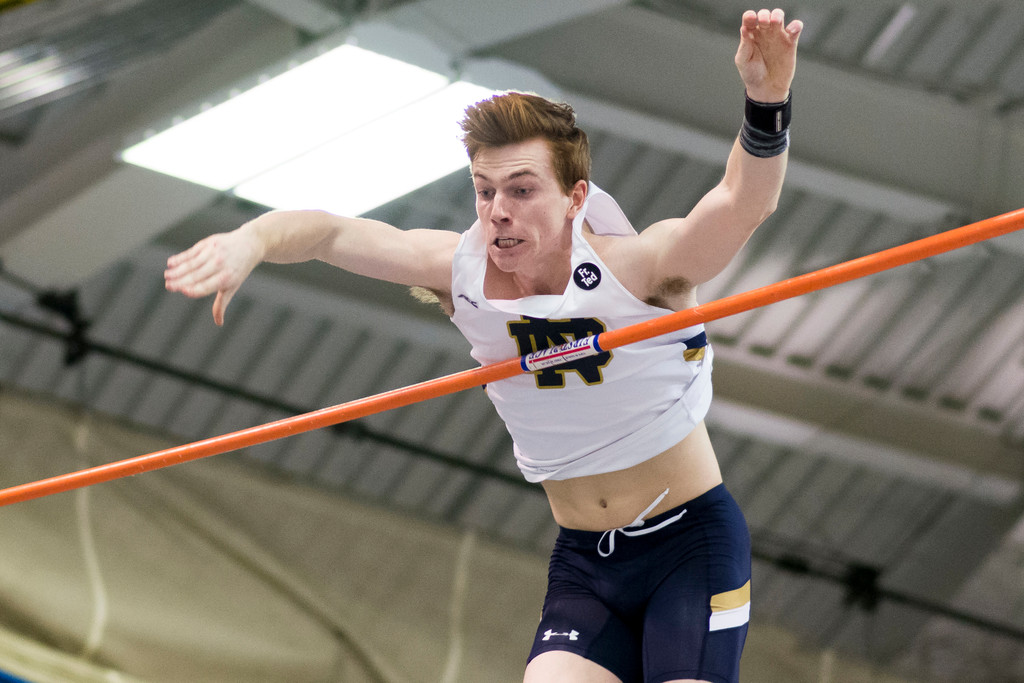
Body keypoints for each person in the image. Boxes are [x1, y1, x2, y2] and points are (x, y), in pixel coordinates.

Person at [165, 9, 802, 683]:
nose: (499, 209)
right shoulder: (459, 272)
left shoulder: (640, 267)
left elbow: (741, 202)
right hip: (587, 561)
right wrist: (251, 241)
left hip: (689, 547)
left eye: (523, 190)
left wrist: (767, 100)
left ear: (574, 198)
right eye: (484, 190)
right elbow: (327, 232)